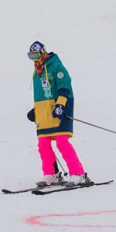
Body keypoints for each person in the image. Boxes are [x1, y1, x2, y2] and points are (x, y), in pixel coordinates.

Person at [26, 41, 89, 186]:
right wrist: (35, 110)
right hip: (44, 113)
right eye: (30, 56)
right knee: (43, 144)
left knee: (62, 142)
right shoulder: (37, 71)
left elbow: (64, 87)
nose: (34, 59)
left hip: (59, 111)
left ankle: (78, 173)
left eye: (35, 55)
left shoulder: (56, 67)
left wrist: (61, 105)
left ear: (43, 53)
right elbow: (41, 94)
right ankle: (51, 174)